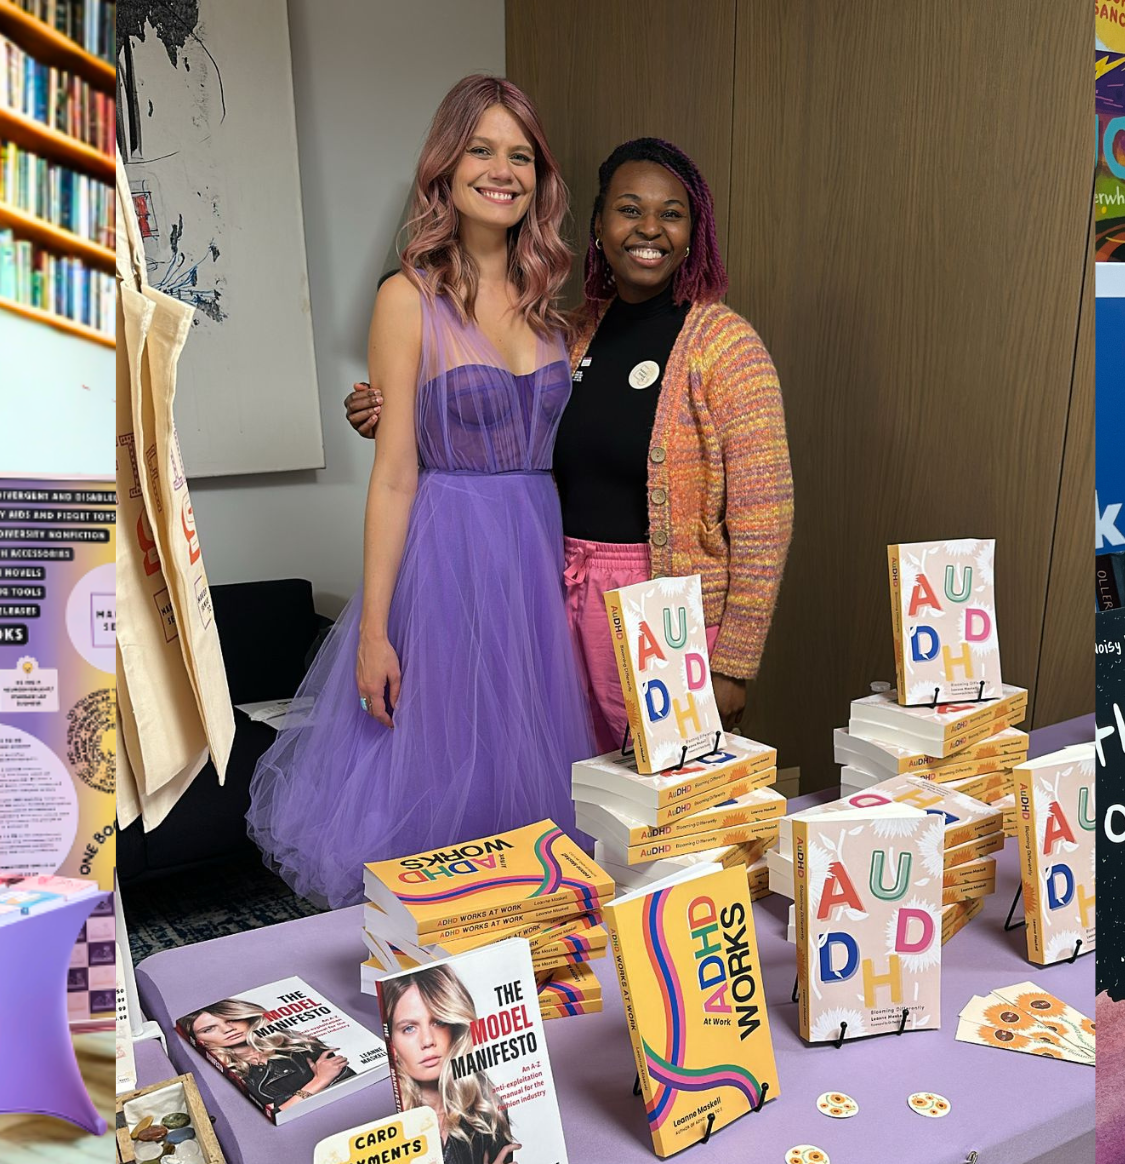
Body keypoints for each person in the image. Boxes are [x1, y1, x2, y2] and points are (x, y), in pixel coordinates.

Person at [246, 76, 592, 908]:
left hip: (537, 562)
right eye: (481, 149)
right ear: (446, 165)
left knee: (531, 788)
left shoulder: (555, 307)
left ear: (539, 177)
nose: (501, 170)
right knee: (437, 774)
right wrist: (373, 629)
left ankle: (525, 960)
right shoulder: (407, 299)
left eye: (520, 155)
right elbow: (396, 473)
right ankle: (434, 974)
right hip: (447, 558)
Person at [349, 136, 792, 749]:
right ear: (599, 227)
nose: (649, 229)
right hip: (551, 595)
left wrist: (735, 663)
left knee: (656, 805)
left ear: (695, 232)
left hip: (663, 612)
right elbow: (506, 428)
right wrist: (394, 410)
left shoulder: (726, 347)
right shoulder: (568, 330)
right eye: (629, 209)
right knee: (571, 789)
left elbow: (764, 520)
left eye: (672, 214)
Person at [379, 967, 524, 1164]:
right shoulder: (392, 1135)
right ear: (392, 1041)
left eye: (438, 1022)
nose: (427, 1041)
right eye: (409, 1028)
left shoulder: (485, 1116)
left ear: (455, 1029)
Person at [179, 997, 351, 1118]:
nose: (227, 1030)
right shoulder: (228, 1071)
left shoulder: (298, 1044)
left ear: (247, 1018)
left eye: (232, 1020)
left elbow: (347, 1079)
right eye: (209, 1029)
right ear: (200, 1040)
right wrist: (319, 1080)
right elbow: (279, 1114)